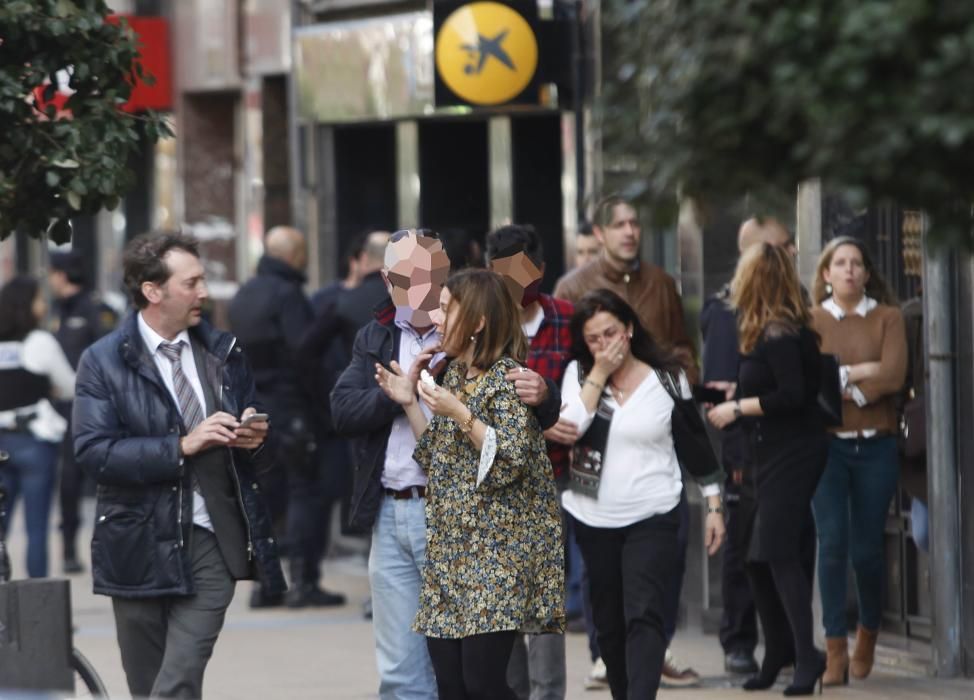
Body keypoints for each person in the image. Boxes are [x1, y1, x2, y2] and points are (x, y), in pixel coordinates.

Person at [332, 229, 562, 699]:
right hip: (415, 522)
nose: (428, 293)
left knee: (482, 680)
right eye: (409, 278)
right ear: (387, 279)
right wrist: (405, 398)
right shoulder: (382, 337)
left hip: (483, 539)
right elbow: (349, 413)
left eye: (434, 278)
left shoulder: (489, 355)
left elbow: (514, 446)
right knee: (425, 675)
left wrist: (471, 409)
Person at [72, 231, 285, 698]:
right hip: (136, 542)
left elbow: (260, 447)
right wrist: (180, 446)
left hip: (213, 538)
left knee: (178, 680)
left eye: (202, 281)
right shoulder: (102, 361)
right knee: (147, 686)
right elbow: (93, 452)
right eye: (191, 283)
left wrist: (253, 438)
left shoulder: (223, 351)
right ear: (153, 291)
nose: (204, 293)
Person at [555, 194, 701, 686]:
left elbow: (682, 346)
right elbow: (569, 401)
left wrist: (678, 380)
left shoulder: (661, 283)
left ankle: (647, 666)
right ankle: (612, 661)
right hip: (593, 484)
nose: (630, 232)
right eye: (619, 224)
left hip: (654, 473)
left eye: (636, 223)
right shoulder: (574, 287)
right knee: (608, 606)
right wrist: (598, 370)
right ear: (599, 233)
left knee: (647, 602)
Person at [561, 289, 725, 699]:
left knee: (645, 614)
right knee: (610, 624)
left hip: (653, 513)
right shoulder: (579, 377)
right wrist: (598, 374)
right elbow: (571, 428)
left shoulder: (666, 379)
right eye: (594, 339)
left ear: (629, 329)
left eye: (610, 333)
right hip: (593, 517)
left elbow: (694, 445)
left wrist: (714, 505)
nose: (604, 345)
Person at [707, 242, 828, 696]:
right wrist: (736, 392)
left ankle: (806, 653)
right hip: (772, 452)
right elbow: (777, 386)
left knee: (777, 553)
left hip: (793, 453)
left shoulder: (779, 332)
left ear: (754, 280)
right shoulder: (769, 331)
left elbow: (792, 396)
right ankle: (779, 650)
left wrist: (739, 406)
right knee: (756, 559)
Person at [229, 226, 346, 609]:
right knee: (304, 493)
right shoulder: (288, 295)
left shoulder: (244, 295)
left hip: (253, 410)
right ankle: (302, 581)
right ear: (293, 255)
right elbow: (303, 356)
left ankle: (266, 584)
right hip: (291, 410)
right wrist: (320, 408)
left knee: (267, 497)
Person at [809, 236, 907, 686]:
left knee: (867, 550)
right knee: (831, 546)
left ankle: (868, 630)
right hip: (828, 448)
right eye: (840, 263)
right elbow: (812, 382)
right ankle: (834, 649)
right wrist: (861, 371)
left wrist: (845, 381)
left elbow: (894, 373)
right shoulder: (810, 321)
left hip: (877, 445)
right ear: (826, 273)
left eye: (857, 263)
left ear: (867, 273)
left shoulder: (889, 317)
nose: (849, 270)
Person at [700, 217, 794, 676]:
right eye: (783, 246)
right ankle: (739, 639)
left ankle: (787, 642)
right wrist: (734, 459)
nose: (792, 252)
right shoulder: (726, 311)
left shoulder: (791, 309)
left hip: (787, 445)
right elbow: (720, 392)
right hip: (745, 448)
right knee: (742, 549)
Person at [486, 224, 576, 700]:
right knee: (504, 604)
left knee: (543, 602)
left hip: (554, 479)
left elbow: (582, 387)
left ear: (540, 271)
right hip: (497, 484)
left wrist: (561, 408)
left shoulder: (566, 318)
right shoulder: (481, 326)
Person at [0, 276, 75, 578]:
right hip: (33, 442)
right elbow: (70, 387)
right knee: (37, 528)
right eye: (38, 299)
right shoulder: (40, 342)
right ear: (26, 306)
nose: (44, 306)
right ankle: (37, 611)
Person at [47, 250, 117, 573]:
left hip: (92, 408)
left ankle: (113, 546)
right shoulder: (53, 310)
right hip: (60, 409)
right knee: (69, 483)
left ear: (62, 274)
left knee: (104, 477)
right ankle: (69, 549)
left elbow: (107, 355)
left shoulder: (95, 309)